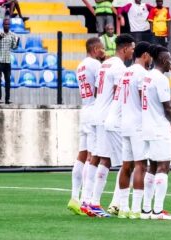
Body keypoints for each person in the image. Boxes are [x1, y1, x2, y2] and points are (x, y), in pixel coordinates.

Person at [81, 34, 135, 217]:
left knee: (97, 158)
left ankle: (87, 201)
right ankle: (97, 203)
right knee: (114, 160)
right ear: (125, 49)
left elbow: (98, 89)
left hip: (97, 112)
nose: (133, 52)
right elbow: (118, 93)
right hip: (107, 117)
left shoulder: (105, 64)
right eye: (132, 49)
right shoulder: (119, 67)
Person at [67, 37, 105, 216]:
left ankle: (74, 198)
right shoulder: (96, 65)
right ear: (96, 48)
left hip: (85, 108)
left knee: (82, 155)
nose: (104, 51)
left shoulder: (80, 65)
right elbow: (100, 89)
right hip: (94, 110)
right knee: (92, 156)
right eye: (102, 48)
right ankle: (85, 200)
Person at [140, 45, 171, 220]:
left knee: (152, 166)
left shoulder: (147, 77)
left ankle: (146, 210)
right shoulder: (161, 79)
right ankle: (157, 211)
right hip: (158, 126)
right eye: (169, 59)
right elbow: (167, 106)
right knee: (164, 166)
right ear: (163, 60)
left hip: (147, 126)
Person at [117, 41, 152, 219]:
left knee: (126, 166)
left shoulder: (126, 71)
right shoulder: (142, 74)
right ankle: (136, 209)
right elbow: (143, 99)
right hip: (138, 124)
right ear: (145, 55)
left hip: (125, 123)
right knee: (140, 165)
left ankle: (123, 208)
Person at [0, 18, 19, 104]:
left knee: (8, 80)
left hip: (7, 61)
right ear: (3, 25)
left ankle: (7, 99)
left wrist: (17, 43)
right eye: (5, 24)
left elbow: (13, 47)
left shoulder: (12, 35)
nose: (6, 26)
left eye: (8, 24)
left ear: (9, 25)